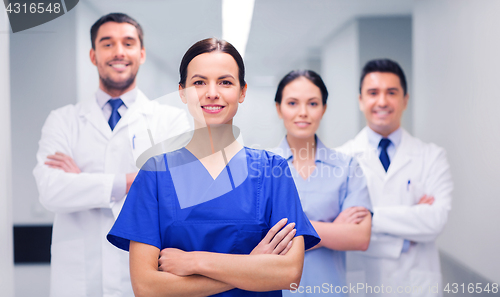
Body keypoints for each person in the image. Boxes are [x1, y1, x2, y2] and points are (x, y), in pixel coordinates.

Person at [107, 38, 320, 297]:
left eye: (225, 82)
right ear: (182, 92)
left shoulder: (272, 170)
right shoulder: (155, 174)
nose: (212, 92)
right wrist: (251, 265)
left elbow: (289, 274)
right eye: (199, 82)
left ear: (242, 92)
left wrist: (195, 261)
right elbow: (146, 287)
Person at [33, 13, 191, 297]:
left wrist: (83, 183)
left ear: (141, 54)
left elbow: (175, 190)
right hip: (78, 279)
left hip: (146, 273)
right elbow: (50, 191)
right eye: (107, 44)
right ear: (93, 55)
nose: (119, 51)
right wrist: (135, 181)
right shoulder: (63, 120)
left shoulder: (171, 121)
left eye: (128, 43)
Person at [337, 59, 453, 297]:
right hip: (362, 283)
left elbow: (435, 220)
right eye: (373, 93)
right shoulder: (340, 158)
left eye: (391, 92)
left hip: (417, 285)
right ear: (361, 100)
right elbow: (341, 229)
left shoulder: (431, 156)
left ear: (405, 100)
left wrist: (369, 217)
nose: (382, 101)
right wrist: (407, 230)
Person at [271, 70, 372, 296]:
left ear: (324, 109)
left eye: (313, 103)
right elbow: (254, 238)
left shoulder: (347, 167)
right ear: (279, 109)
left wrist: (287, 235)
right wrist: (334, 230)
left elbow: (360, 238)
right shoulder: (262, 167)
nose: (303, 113)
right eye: (293, 103)